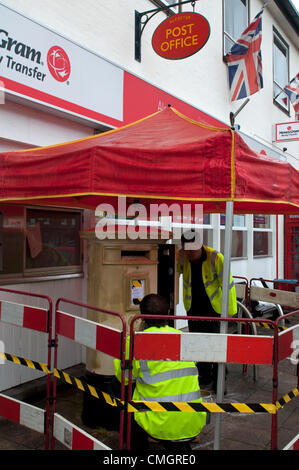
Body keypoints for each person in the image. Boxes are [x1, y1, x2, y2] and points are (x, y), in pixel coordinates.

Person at [114, 294, 206, 451]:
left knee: (123, 397)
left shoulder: (135, 342)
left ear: (141, 317)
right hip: (193, 419)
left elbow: (124, 378)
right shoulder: (184, 338)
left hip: (159, 422)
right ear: (169, 314)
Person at [178, 230, 237, 392]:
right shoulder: (181, 256)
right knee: (198, 344)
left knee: (216, 346)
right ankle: (204, 377)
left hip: (214, 311)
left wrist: (230, 312)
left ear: (200, 245)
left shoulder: (216, 258)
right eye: (185, 249)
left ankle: (220, 382)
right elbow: (174, 272)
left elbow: (229, 286)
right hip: (194, 308)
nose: (189, 254)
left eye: (192, 250)